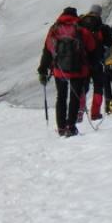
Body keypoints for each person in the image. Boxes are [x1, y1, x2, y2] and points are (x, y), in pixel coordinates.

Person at [38, 7, 96, 137]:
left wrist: (43, 70)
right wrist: (92, 68)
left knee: (61, 97)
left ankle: (61, 128)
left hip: (60, 70)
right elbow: (92, 48)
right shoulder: (81, 30)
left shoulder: (54, 29)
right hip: (79, 71)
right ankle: (71, 127)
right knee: (75, 98)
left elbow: (47, 50)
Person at [78, 4, 105, 120]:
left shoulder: (80, 22)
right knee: (98, 86)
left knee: (83, 87)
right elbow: (109, 42)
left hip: (83, 61)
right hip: (96, 61)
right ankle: (95, 113)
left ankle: (78, 113)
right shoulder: (100, 25)